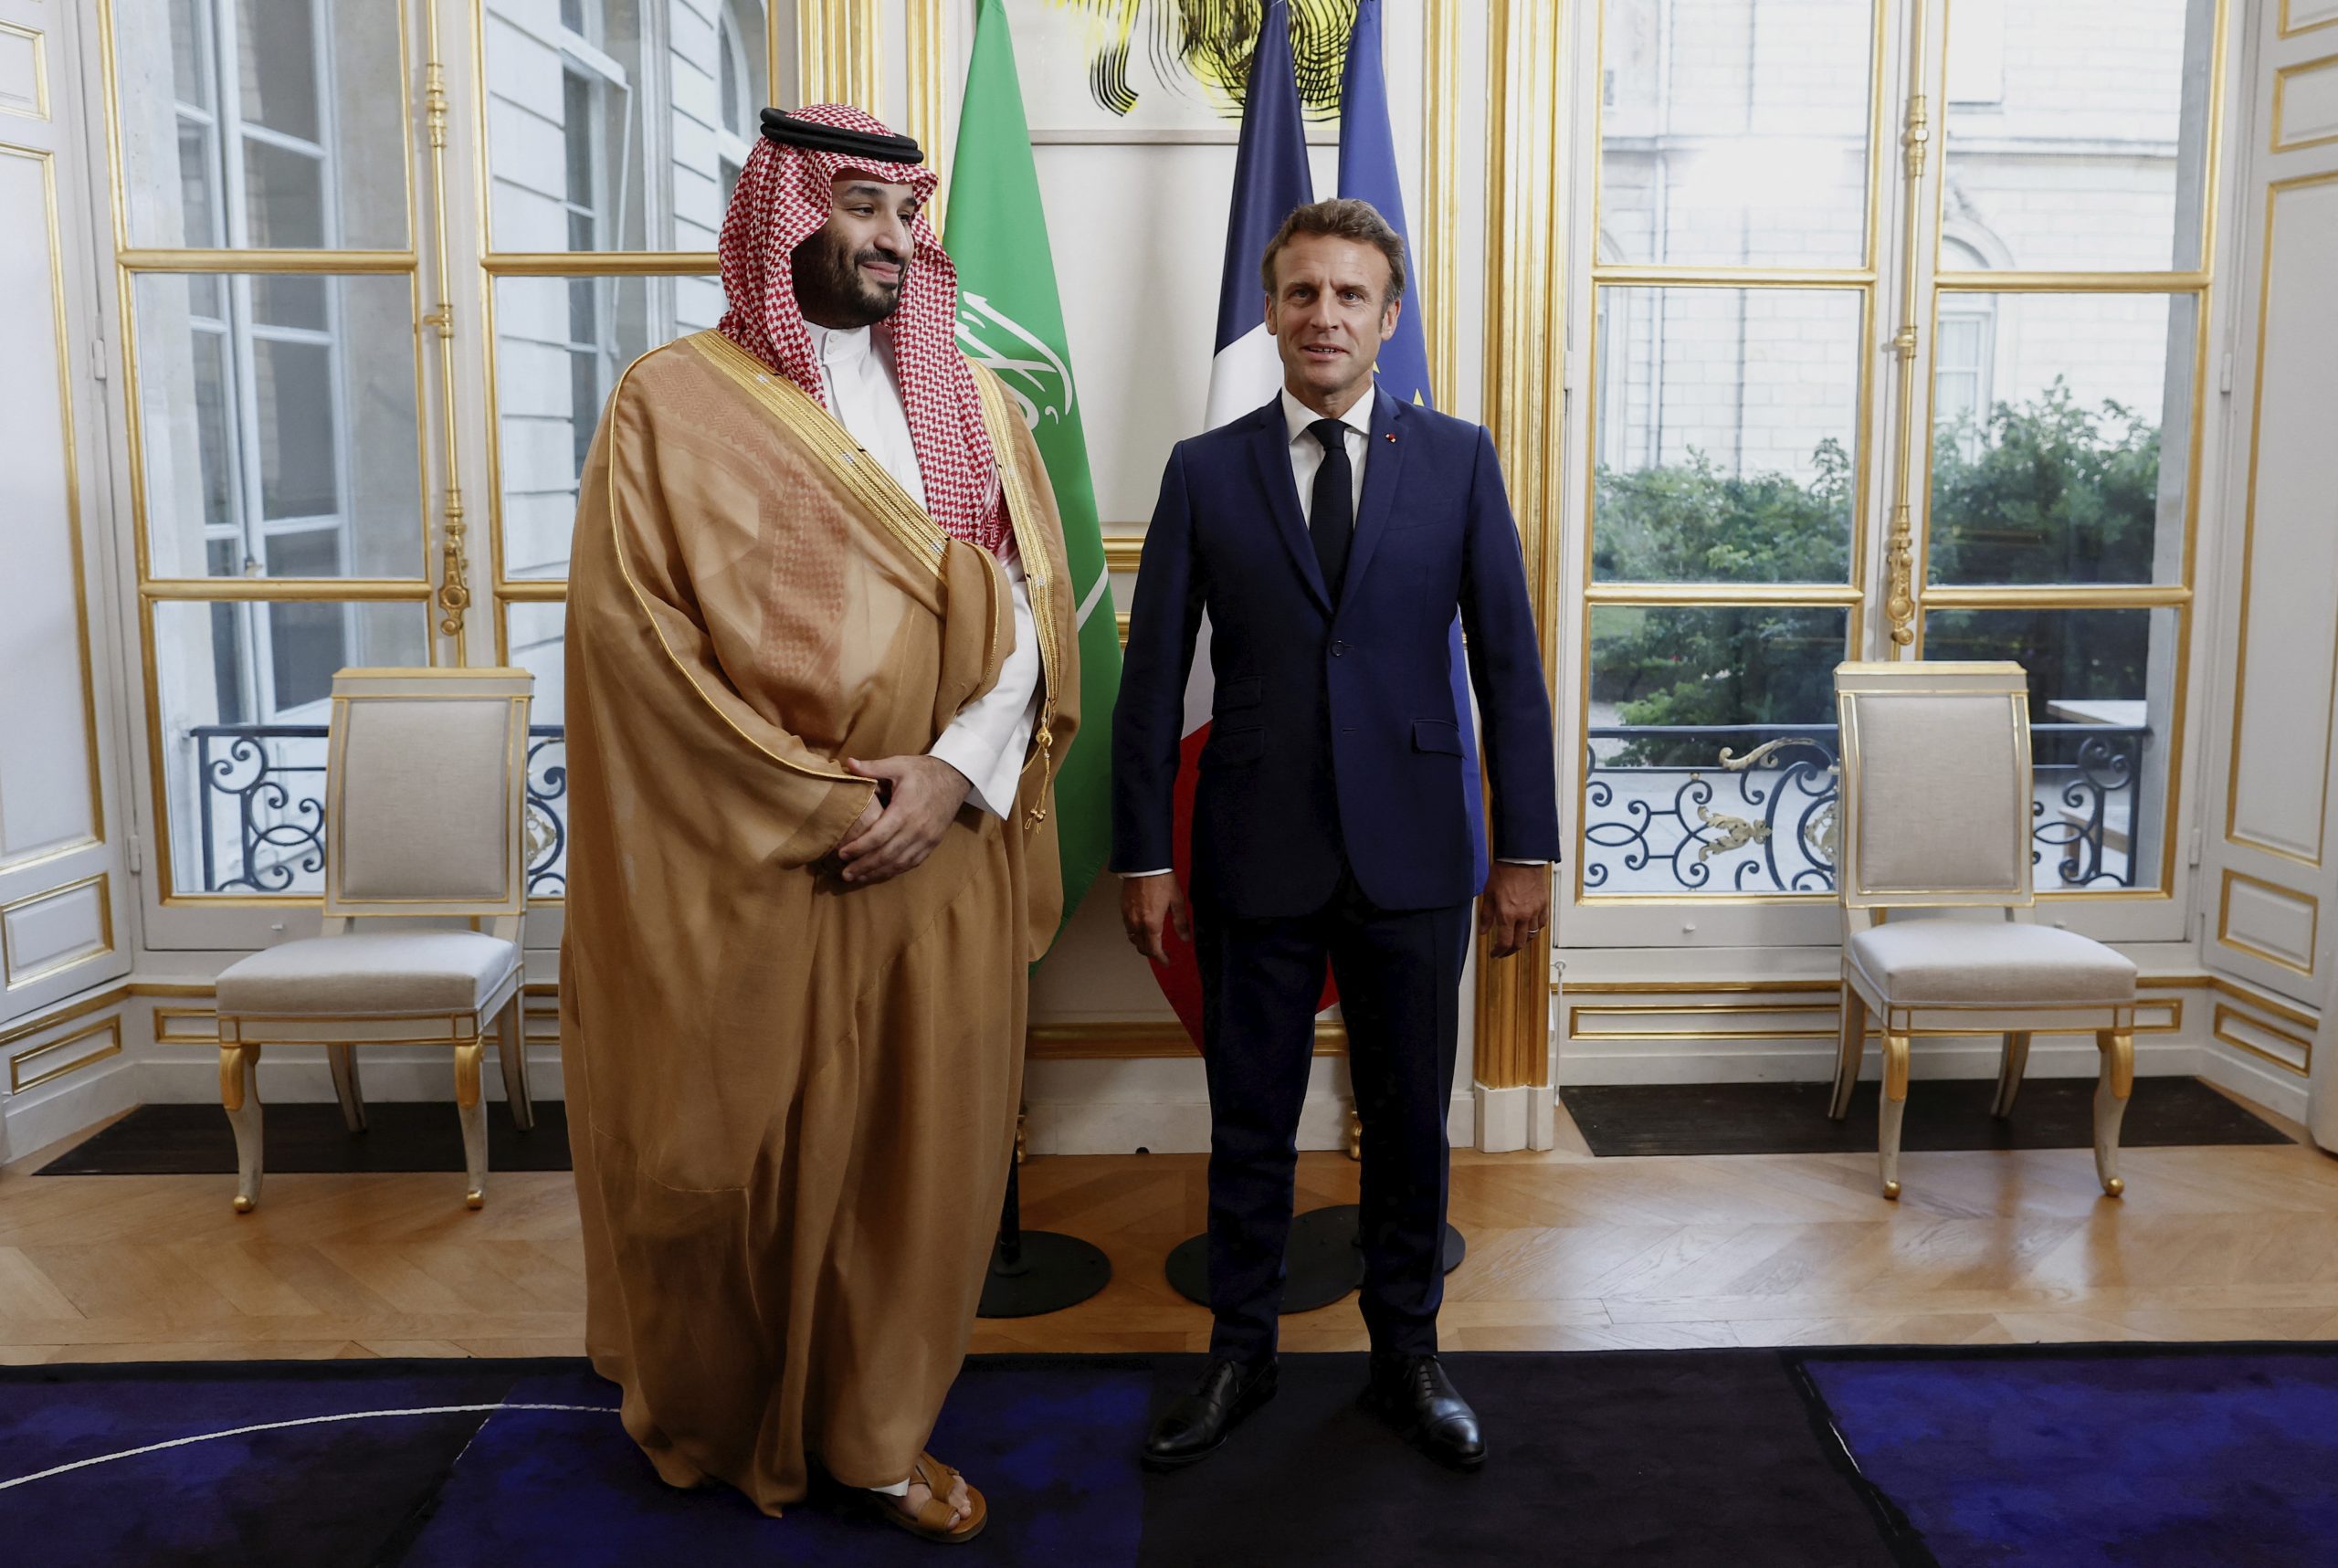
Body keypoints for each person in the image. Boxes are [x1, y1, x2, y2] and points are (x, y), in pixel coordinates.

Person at [558, 103, 1079, 1545]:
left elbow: (1033, 616)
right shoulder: (673, 401)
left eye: (905, 212)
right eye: (857, 206)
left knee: (921, 1158)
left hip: (945, 849)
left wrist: (957, 771)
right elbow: (630, 642)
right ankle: (723, 1412)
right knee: (741, 1162)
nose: (890, 239)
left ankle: (874, 1432)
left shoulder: (980, 404)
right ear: (784, 213)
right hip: (762, 857)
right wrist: (832, 794)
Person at [1112, 197, 1559, 1473]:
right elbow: (1153, 684)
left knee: (1412, 1121)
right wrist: (1145, 855)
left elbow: (1510, 669)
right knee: (1248, 1117)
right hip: (1252, 848)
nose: (1325, 315)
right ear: (1271, 310)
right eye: (1303, 292)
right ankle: (1238, 1353)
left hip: (1418, 850)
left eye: (1350, 295)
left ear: (1389, 317)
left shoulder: (1461, 460)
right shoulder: (1207, 470)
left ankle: (1407, 1355)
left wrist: (1524, 849)